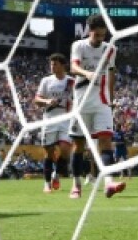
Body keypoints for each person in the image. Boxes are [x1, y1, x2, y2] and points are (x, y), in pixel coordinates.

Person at [68, 14, 125, 199]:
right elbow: (73, 68)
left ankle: (109, 183)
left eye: (103, 35)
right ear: (90, 31)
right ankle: (76, 185)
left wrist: (111, 100)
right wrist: (88, 73)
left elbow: (111, 74)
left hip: (102, 102)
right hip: (82, 102)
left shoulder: (110, 49)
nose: (100, 39)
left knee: (106, 142)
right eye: (97, 35)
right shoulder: (79, 46)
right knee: (78, 145)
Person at [32, 53, 74, 194]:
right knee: (49, 152)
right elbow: (37, 99)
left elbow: (79, 98)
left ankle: (57, 174)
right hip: (49, 117)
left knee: (65, 149)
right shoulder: (46, 81)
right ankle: (47, 183)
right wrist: (46, 101)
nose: (52, 66)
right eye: (51, 64)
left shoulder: (71, 82)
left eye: (55, 64)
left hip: (65, 117)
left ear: (63, 65)